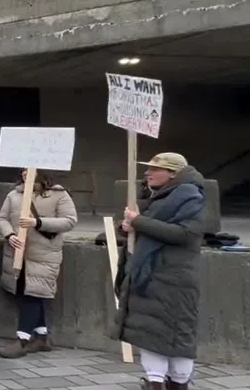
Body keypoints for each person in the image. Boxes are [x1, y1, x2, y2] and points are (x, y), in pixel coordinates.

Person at [113, 153, 205, 390]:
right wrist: (127, 228)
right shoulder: (157, 197)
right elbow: (147, 228)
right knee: (149, 335)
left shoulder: (190, 196)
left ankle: (177, 383)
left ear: (173, 173)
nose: (148, 173)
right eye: (148, 169)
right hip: (150, 277)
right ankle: (155, 382)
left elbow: (185, 234)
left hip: (173, 279)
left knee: (178, 336)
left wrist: (139, 222)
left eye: (156, 169)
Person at [0, 169, 78, 359]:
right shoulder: (14, 194)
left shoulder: (59, 195)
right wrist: (9, 235)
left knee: (32, 294)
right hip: (18, 253)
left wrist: (37, 222)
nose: (25, 173)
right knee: (28, 291)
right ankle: (42, 337)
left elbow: (69, 221)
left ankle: (22, 339)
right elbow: (2, 218)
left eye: (29, 169)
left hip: (44, 255)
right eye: (23, 170)